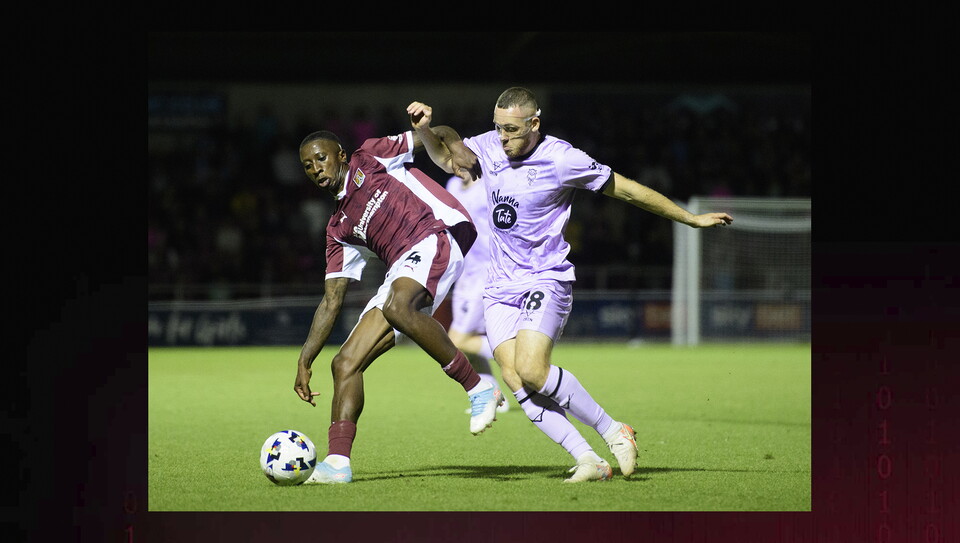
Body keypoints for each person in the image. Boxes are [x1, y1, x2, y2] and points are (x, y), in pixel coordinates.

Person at [407, 88, 733, 483]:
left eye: (511, 130)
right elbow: (447, 155)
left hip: (546, 277)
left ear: (535, 123)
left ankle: (614, 430)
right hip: (499, 285)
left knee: (531, 368)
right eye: (498, 128)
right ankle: (588, 460)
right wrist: (425, 130)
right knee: (513, 377)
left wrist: (690, 219)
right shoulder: (490, 146)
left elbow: (626, 189)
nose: (503, 137)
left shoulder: (563, 159)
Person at [293, 125, 504, 484]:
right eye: (308, 165)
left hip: (438, 233)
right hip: (403, 269)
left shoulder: (370, 156)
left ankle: (478, 386)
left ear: (341, 155)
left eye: (321, 158)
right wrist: (304, 359)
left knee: (396, 305)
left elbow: (432, 132)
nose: (316, 168)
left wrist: (454, 145)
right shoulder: (337, 229)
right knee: (345, 363)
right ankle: (337, 463)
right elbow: (332, 300)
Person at [443, 174, 510, 415]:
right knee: (464, 343)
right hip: (463, 273)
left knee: (455, 341)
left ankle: (518, 352)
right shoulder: (451, 185)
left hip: (488, 270)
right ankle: (494, 396)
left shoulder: (490, 184)